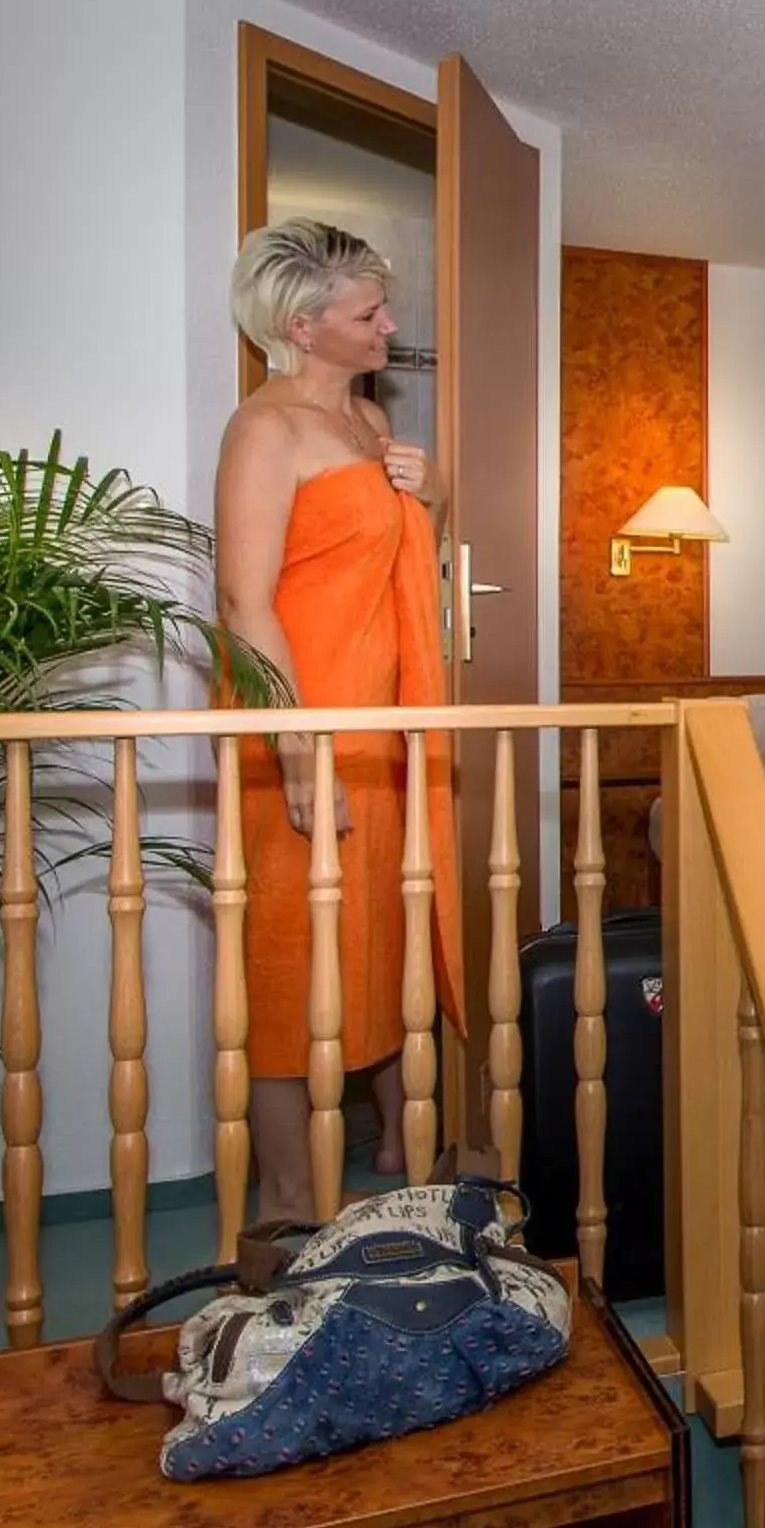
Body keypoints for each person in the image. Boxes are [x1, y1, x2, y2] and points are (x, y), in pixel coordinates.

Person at [213, 219, 464, 1220]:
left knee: (384, 940)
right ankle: (284, 1203)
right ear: (303, 326)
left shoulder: (369, 425)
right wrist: (299, 749)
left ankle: (409, 1176)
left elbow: (395, 566)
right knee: (287, 963)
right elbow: (244, 601)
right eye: (370, 314)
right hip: (300, 730)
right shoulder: (264, 429)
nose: (390, 328)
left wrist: (432, 493)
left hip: (383, 732)